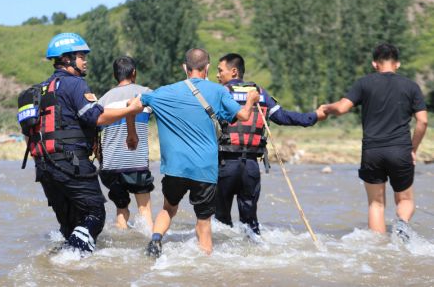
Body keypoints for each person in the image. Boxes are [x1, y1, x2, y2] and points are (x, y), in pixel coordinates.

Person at [128, 48, 259, 257]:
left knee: (168, 209)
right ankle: (205, 263)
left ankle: (155, 240)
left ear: (184, 68)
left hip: (175, 168)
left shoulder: (163, 92)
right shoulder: (218, 91)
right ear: (207, 68)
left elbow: (132, 104)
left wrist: (131, 134)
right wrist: (252, 99)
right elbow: (243, 115)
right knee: (204, 221)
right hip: (204, 169)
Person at [26, 33, 141, 254]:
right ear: (67, 59)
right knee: (94, 215)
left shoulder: (38, 90)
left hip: (44, 167)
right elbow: (95, 118)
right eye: (81, 56)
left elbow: (29, 132)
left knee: (70, 227)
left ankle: (68, 268)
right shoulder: (75, 84)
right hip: (72, 163)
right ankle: (71, 259)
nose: (85, 60)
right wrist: (131, 109)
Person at [322, 43, 428, 242]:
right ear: (397, 63)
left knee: (376, 204)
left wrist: (326, 107)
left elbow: (342, 108)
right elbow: (422, 121)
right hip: (400, 150)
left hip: (372, 151)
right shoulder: (411, 86)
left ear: (374, 64)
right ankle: (402, 224)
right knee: (405, 200)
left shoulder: (364, 83)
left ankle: (377, 250)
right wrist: (413, 148)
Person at [215, 53, 327, 236]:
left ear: (233, 71)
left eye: (220, 71)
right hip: (250, 167)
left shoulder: (220, 93)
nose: (217, 75)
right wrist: (313, 116)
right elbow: (283, 117)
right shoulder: (259, 93)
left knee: (221, 222)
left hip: (225, 166)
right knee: (250, 224)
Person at [98, 56, 154, 231]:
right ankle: (152, 246)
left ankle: (120, 245)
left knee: (121, 211)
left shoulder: (103, 100)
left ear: (115, 75)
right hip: (135, 163)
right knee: (144, 209)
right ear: (134, 72)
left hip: (110, 167)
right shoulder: (146, 93)